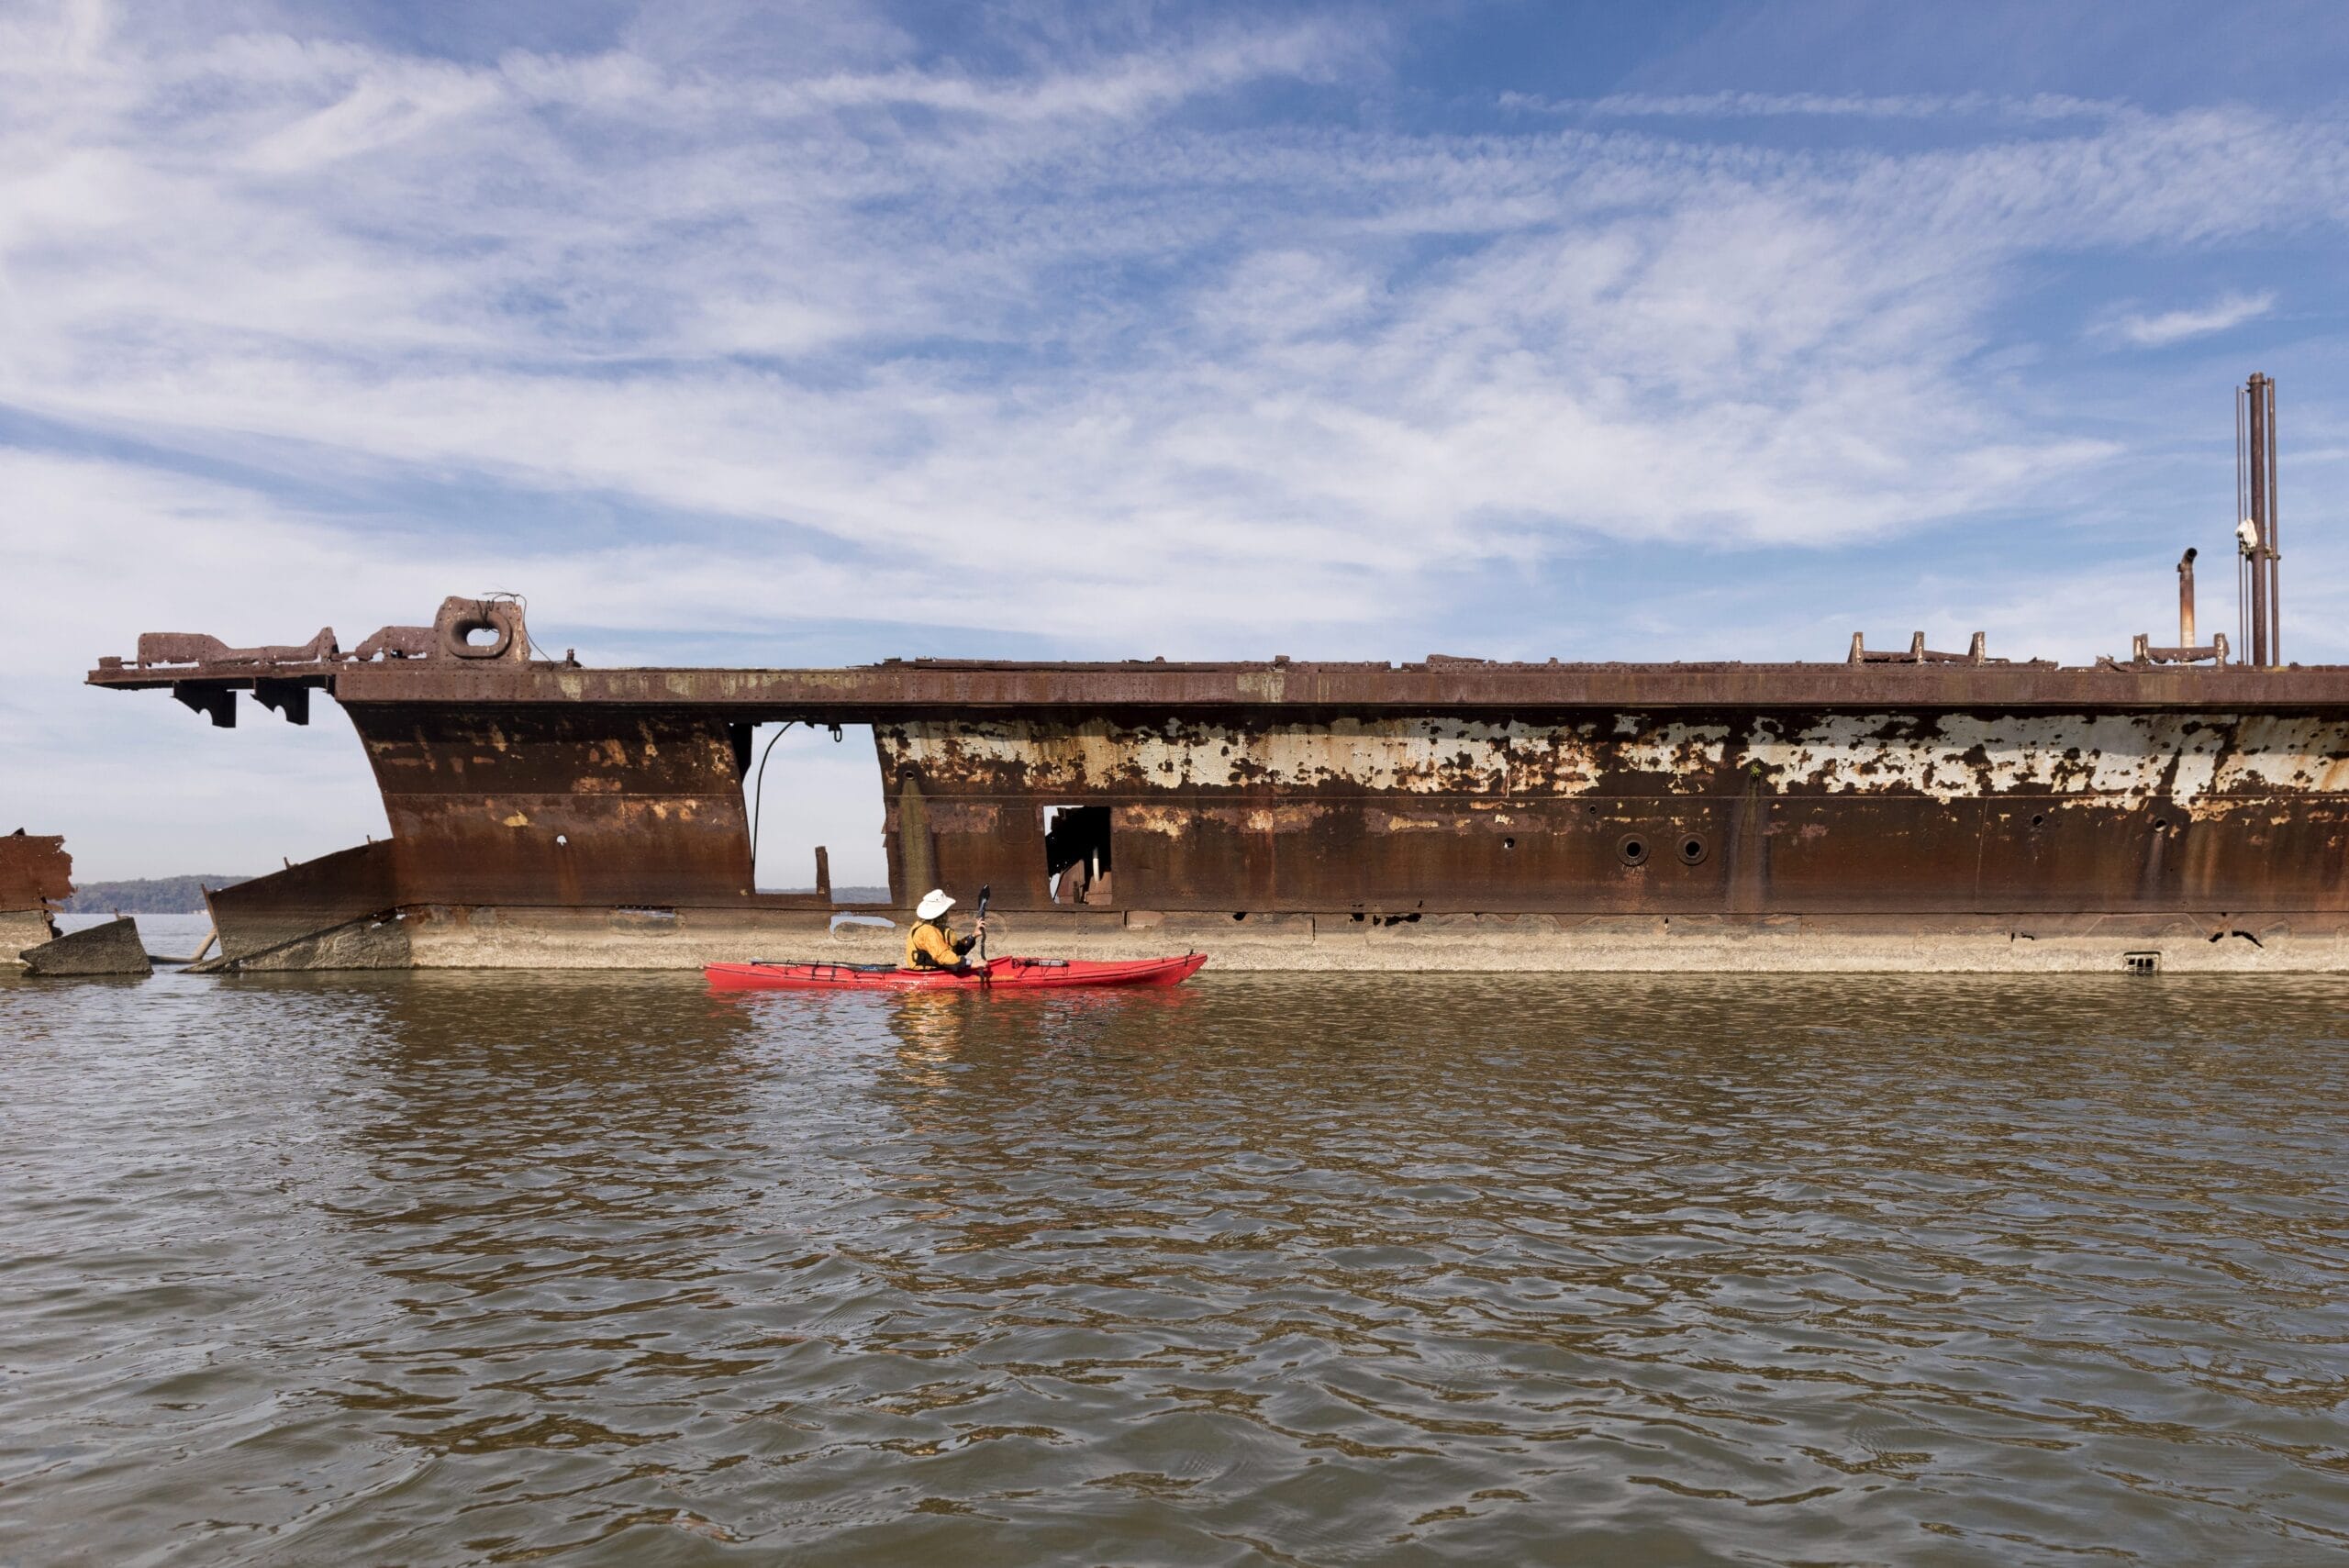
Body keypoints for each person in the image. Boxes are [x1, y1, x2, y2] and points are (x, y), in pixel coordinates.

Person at [904, 888, 985, 970]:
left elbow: (954, 949)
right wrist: (970, 964)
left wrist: (973, 935)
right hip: (927, 972)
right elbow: (943, 956)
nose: (946, 915)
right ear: (941, 914)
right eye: (945, 912)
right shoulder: (927, 931)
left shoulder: (930, 926)